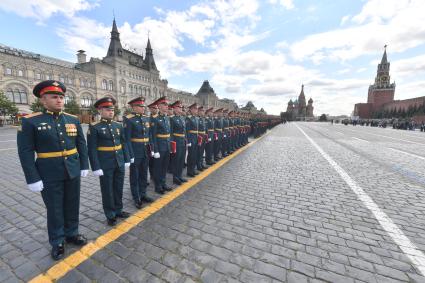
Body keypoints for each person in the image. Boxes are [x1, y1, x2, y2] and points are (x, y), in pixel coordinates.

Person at [17, 80, 89, 260]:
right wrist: (32, 177)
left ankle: (72, 233)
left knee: (72, 203)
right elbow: (25, 152)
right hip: (48, 172)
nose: (59, 100)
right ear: (43, 100)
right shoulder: (30, 121)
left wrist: (84, 165)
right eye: (54, 97)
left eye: (61, 97)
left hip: (72, 168)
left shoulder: (72, 119)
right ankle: (57, 240)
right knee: (55, 208)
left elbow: (81, 143)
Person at [87, 97, 131, 226]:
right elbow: (92, 149)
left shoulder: (118, 125)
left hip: (119, 161)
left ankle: (118, 209)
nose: (111, 112)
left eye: (112, 109)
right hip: (105, 163)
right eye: (107, 109)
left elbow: (123, 143)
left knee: (118, 187)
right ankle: (110, 214)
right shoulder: (95, 127)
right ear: (100, 110)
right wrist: (96, 166)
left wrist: (126, 159)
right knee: (107, 189)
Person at [123, 96, 154, 209]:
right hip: (135, 151)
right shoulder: (129, 119)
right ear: (133, 107)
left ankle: (143, 194)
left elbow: (149, 135)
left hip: (145, 150)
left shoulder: (146, 118)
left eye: (143, 106)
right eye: (140, 106)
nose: (143, 108)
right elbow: (127, 139)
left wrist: (152, 148)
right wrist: (130, 155)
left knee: (144, 174)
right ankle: (136, 197)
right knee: (134, 175)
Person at [150, 96, 172, 193]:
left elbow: (169, 134)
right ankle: (158, 186)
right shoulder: (154, 119)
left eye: (167, 104)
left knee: (165, 167)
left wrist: (170, 146)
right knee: (158, 168)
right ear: (159, 106)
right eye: (164, 104)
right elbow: (153, 136)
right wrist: (155, 150)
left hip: (166, 146)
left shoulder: (167, 118)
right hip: (159, 147)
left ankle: (163, 183)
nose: (167, 106)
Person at [169, 100, 188, 185]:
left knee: (181, 160)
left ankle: (179, 176)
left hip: (182, 141)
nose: (181, 108)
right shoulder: (171, 119)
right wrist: (172, 144)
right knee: (176, 160)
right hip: (176, 141)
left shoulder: (182, 118)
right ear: (174, 108)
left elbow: (184, 131)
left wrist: (186, 140)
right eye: (179, 107)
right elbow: (171, 133)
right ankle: (175, 178)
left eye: (181, 107)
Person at [186, 103, 199, 177]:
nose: (196, 110)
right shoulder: (188, 118)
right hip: (191, 139)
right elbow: (187, 131)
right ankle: (189, 171)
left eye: (196, 109)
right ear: (191, 110)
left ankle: (193, 169)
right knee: (190, 156)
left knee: (194, 155)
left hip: (195, 138)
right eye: (195, 109)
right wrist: (189, 141)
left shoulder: (195, 118)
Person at [197, 106, 208, 171]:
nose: (203, 112)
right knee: (199, 152)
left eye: (203, 111)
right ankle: (198, 165)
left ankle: (201, 164)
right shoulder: (197, 119)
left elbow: (205, 129)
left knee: (202, 151)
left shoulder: (203, 119)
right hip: (199, 137)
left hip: (203, 136)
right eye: (202, 111)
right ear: (199, 111)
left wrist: (206, 136)